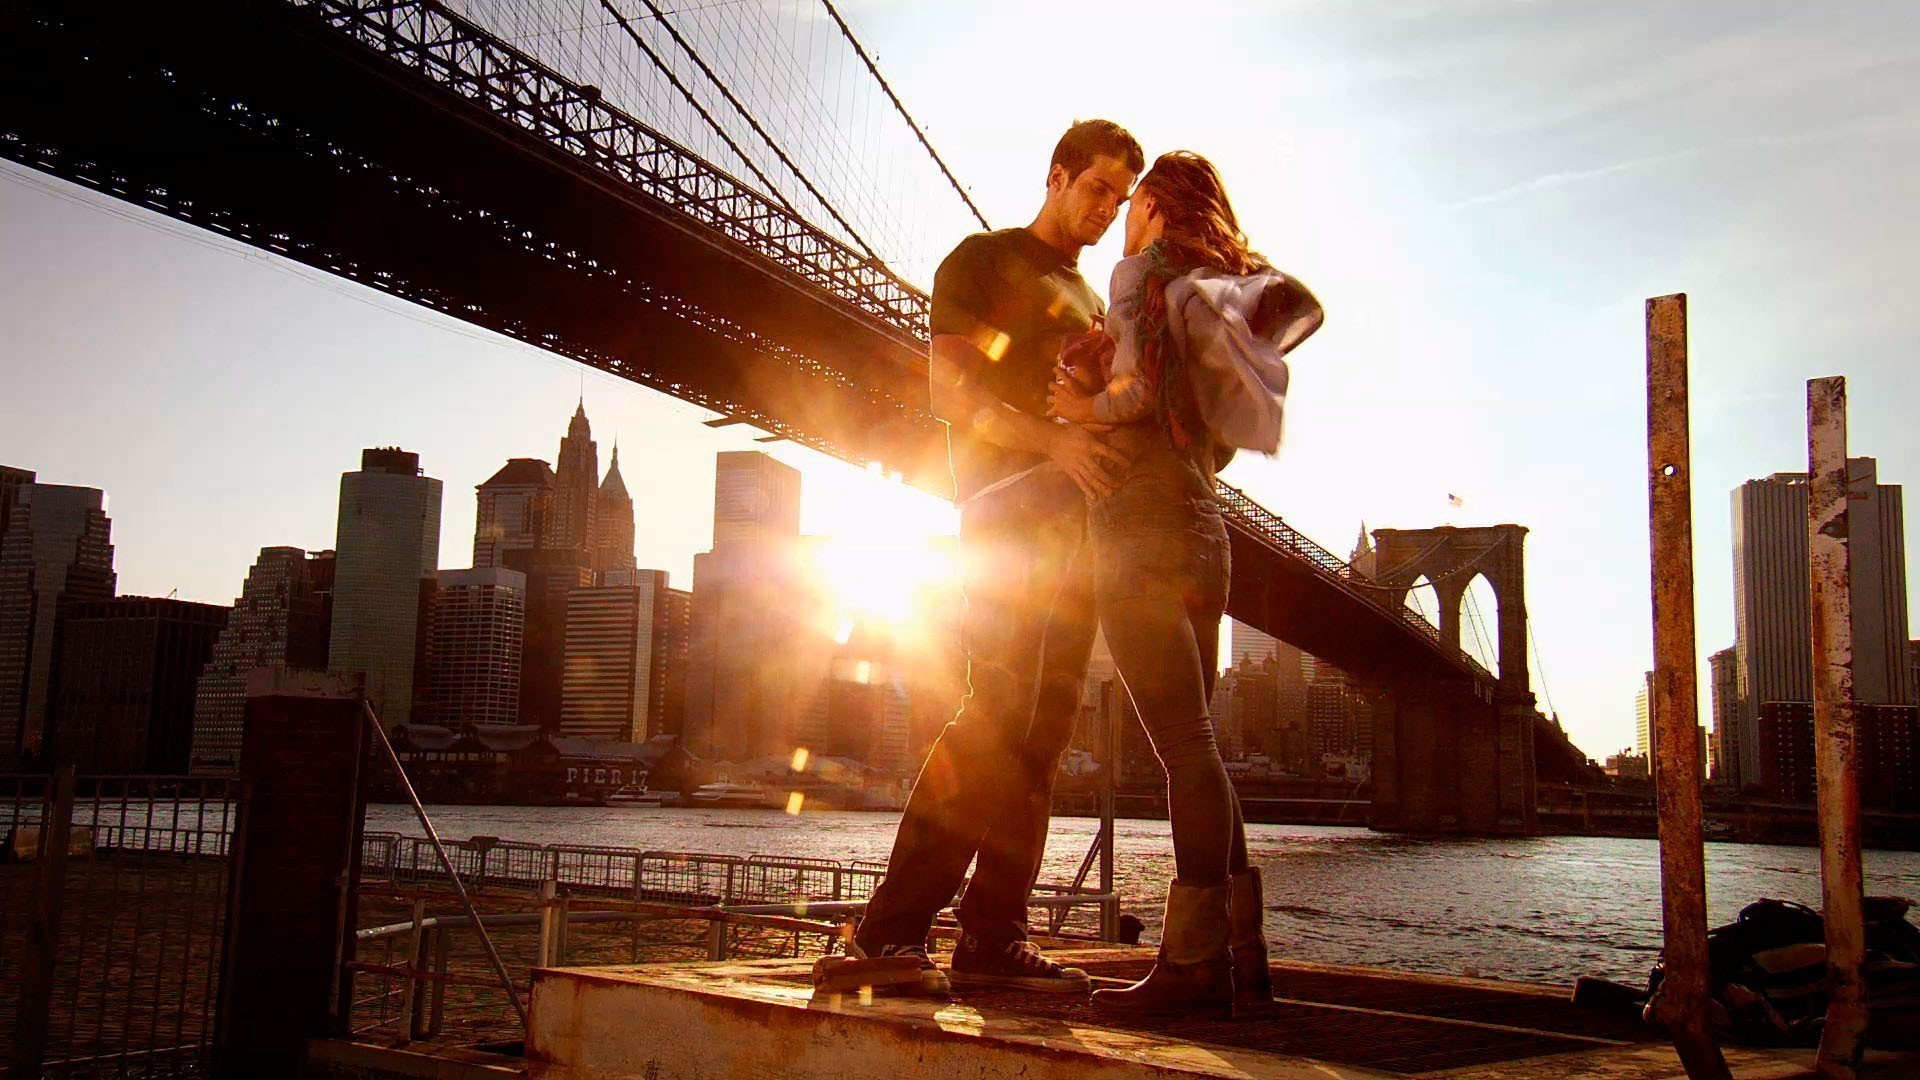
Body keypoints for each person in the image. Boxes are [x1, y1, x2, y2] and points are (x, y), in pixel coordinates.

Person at [850, 120, 1143, 995]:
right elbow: (951, 392)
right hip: (1007, 511)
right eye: (1096, 189)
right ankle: (890, 935)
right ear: (1056, 176)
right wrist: (1050, 446)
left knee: (1044, 736)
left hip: (1080, 530)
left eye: (1122, 200)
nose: (1107, 210)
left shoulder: (1095, 304)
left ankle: (994, 936)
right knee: (995, 714)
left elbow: (1099, 413)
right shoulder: (981, 261)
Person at [1048, 150, 1322, 1019]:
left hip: (1137, 532)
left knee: (1181, 747)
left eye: (1133, 202)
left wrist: (1077, 408)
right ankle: (1245, 963)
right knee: (1198, 743)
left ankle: (1195, 967)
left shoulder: (1145, 272)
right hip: (1210, 539)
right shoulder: (1219, 296)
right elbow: (1210, 431)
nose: (1123, 216)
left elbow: (1129, 403)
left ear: (1158, 205)